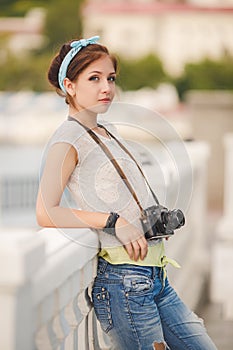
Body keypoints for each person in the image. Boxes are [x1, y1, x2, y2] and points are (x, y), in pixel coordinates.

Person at [36, 36, 217, 350]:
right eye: (94, 79)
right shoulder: (68, 137)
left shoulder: (107, 130)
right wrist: (114, 221)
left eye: (110, 78)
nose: (106, 87)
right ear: (70, 85)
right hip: (124, 283)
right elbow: (46, 211)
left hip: (155, 277)